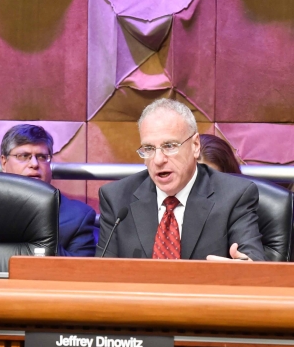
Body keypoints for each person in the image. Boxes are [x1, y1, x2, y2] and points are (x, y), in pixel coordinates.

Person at [97, 98, 264, 261]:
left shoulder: (234, 196)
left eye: (169, 146)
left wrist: (242, 269)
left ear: (195, 146)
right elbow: (101, 275)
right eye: (148, 148)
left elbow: (253, 265)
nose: (158, 160)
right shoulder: (117, 198)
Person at [0, 124, 96, 257]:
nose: (34, 164)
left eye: (42, 157)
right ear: (4, 163)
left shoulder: (78, 217)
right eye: (23, 156)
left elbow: (81, 272)